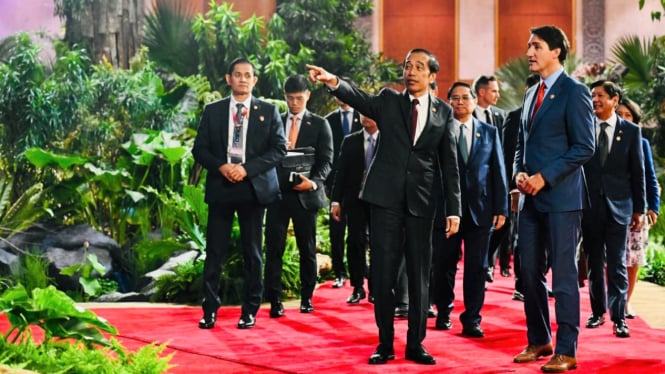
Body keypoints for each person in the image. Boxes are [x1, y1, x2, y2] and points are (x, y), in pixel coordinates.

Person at [307, 48, 462, 366]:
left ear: (432, 76)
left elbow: (450, 163)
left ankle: (416, 344)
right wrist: (333, 81)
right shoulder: (389, 101)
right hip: (385, 200)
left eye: (419, 66)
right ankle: (385, 343)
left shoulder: (444, 113)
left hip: (422, 202)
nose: (411, 70)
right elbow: (360, 98)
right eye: (408, 65)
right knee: (383, 274)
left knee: (420, 276)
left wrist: (454, 208)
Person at [511, 26, 595, 373]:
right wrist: (518, 173)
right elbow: (521, 145)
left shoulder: (575, 92)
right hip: (529, 200)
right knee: (527, 272)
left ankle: (567, 349)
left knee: (563, 276)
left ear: (557, 51)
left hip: (562, 198)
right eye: (529, 45)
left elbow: (584, 147)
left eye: (537, 46)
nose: (530, 52)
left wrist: (545, 177)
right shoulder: (532, 93)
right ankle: (540, 339)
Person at [192, 57, 286, 330]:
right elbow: (200, 149)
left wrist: (246, 169)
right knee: (214, 253)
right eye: (238, 74)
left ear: (255, 80)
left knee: (253, 253)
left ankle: (250, 310)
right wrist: (222, 166)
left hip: (252, 187)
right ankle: (209, 310)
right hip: (222, 187)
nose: (243, 79)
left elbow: (278, 150)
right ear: (228, 79)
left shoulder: (268, 111)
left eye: (248, 75)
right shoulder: (214, 111)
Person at [432, 81, 508, 338]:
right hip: (447, 211)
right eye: (455, 98)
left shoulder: (489, 132)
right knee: (443, 264)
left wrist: (501, 207)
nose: (460, 102)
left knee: (477, 266)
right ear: (449, 101)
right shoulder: (440, 131)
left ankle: (472, 319)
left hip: (481, 210)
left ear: (475, 101)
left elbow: (498, 170)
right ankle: (444, 311)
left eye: (465, 98)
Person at [264, 74, 333, 317]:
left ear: (308, 96)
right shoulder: (275, 122)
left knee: (307, 248)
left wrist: (313, 183)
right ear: (285, 97)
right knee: (274, 249)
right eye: (291, 99)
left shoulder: (320, 124)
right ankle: (274, 300)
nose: (295, 103)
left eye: (299, 98)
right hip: (278, 196)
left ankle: (307, 298)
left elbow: (326, 161)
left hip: (306, 197)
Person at [582, 80, 645, 339]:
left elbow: (638, 172)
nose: (595, 100)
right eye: (592, 95)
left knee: (617, 262)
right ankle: (598, 312)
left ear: (614, 100)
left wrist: (639, 210)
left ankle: (619, 317)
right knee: (594, 262)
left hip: (620, 207)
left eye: (600, 95)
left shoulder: (631, 131)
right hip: (589, 206)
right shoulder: (583, 129)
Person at [616, 97, 660, 319]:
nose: (623, 119)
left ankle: (626, 302)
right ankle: (612, 298)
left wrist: (653, 207)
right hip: (611, 207)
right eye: (620, 114)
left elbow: (649, 177)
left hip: (636, 208)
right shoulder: (604, 139)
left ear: (635, 119)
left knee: (633, 259)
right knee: (613, 258)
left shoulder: (641, 143)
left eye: (628, 115)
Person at [330, 114, 377, 304]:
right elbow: (340, 172)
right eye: (361, 113)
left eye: (369, 112)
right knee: (355, 242)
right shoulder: (351, 141)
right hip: (355, 199)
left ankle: (376, 287)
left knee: (378, 244)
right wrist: (335, 201)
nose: (365, 117)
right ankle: (358, 287)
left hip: (380, 201)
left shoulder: (389, 139)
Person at [502, 74, 541, 302]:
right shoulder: (515, 116)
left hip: (548, 187)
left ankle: (536, 281)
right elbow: (508, 154)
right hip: (520, 187)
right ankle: (521, 283)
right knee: (522, 237)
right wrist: (512, 186)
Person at [472, 75, 510, 282]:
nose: (498, 95)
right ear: (481, 92)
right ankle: (483, 264)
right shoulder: (467, 114)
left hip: (495, 180)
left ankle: (487, 260)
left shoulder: (500, 116)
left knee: (503, 224)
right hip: (473, 183)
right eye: (494, 91)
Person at [325, 98, 362, 289]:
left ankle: (363, 273)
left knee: (359, 236)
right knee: (336, 233)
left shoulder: (364, 116)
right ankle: (340, 272)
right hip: (337, 185)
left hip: (361, 189)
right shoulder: (329, 120)